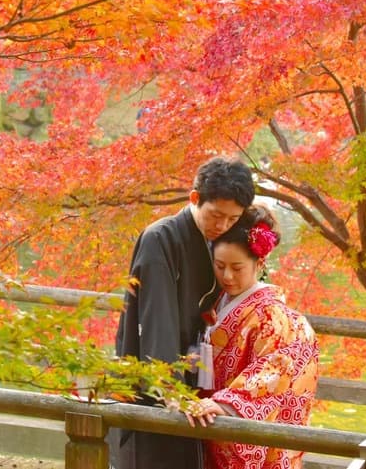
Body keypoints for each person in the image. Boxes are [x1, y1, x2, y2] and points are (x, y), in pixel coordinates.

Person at [110, 157, 256, 469]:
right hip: (155, 372)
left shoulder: (216, 239)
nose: (223, 226)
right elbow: (156, 320)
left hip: (191, 374)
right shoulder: (161, 238)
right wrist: (170, 390)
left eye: (232, 219)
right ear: (194, 198)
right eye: (216, 215)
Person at [184, 204, 319, 469]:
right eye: (220, 265)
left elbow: (275, 369)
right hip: (209, 426)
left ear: (259, 263)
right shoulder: (215, 301)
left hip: (234, 426)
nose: (227, 276)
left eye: (237, 267)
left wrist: (226, 404)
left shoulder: (274, 317)